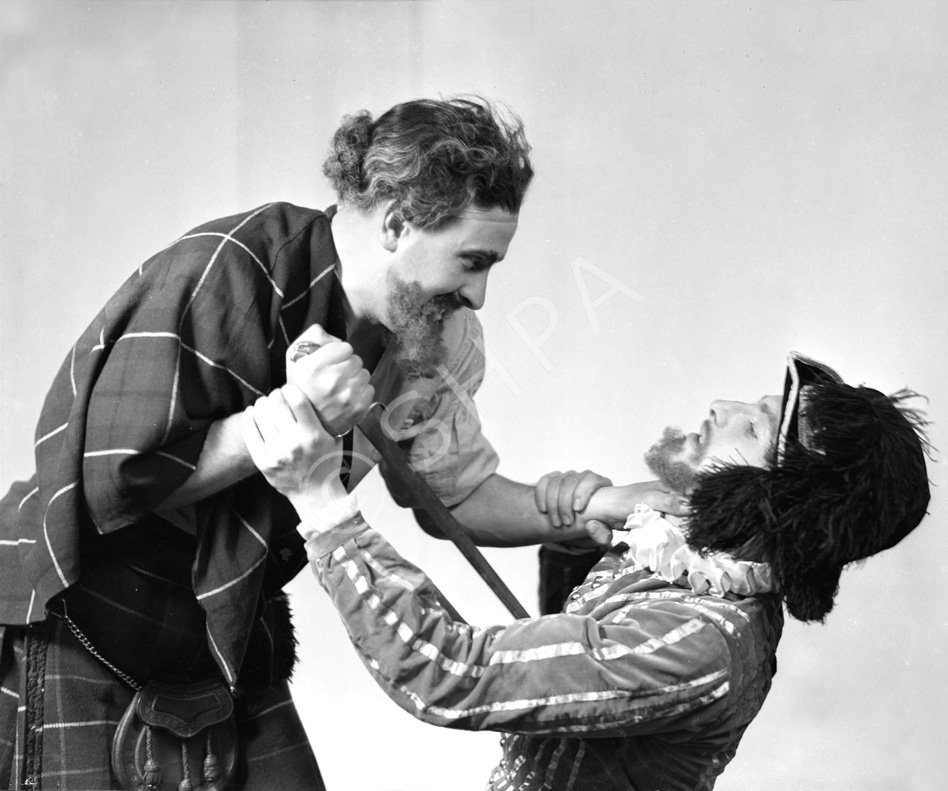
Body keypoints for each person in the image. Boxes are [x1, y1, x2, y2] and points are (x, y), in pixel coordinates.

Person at [0, 97, 681, 790]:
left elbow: (459, 495)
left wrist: (599, 501)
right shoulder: (226, 268)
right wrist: (299, 414)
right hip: (81, 623)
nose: (478, 295)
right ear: (394, 223)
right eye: (471, 261)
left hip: (224, 634)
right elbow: (110, 484)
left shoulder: (432, 336)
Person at [239, 350, 931, 790]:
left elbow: (452, 674)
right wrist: (583, 516)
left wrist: (321, 501)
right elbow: (571, 651)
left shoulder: (702, 641)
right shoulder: (685, 554)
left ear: (781, 509)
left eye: (753, 429)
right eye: (753, 404)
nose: (723, 406)